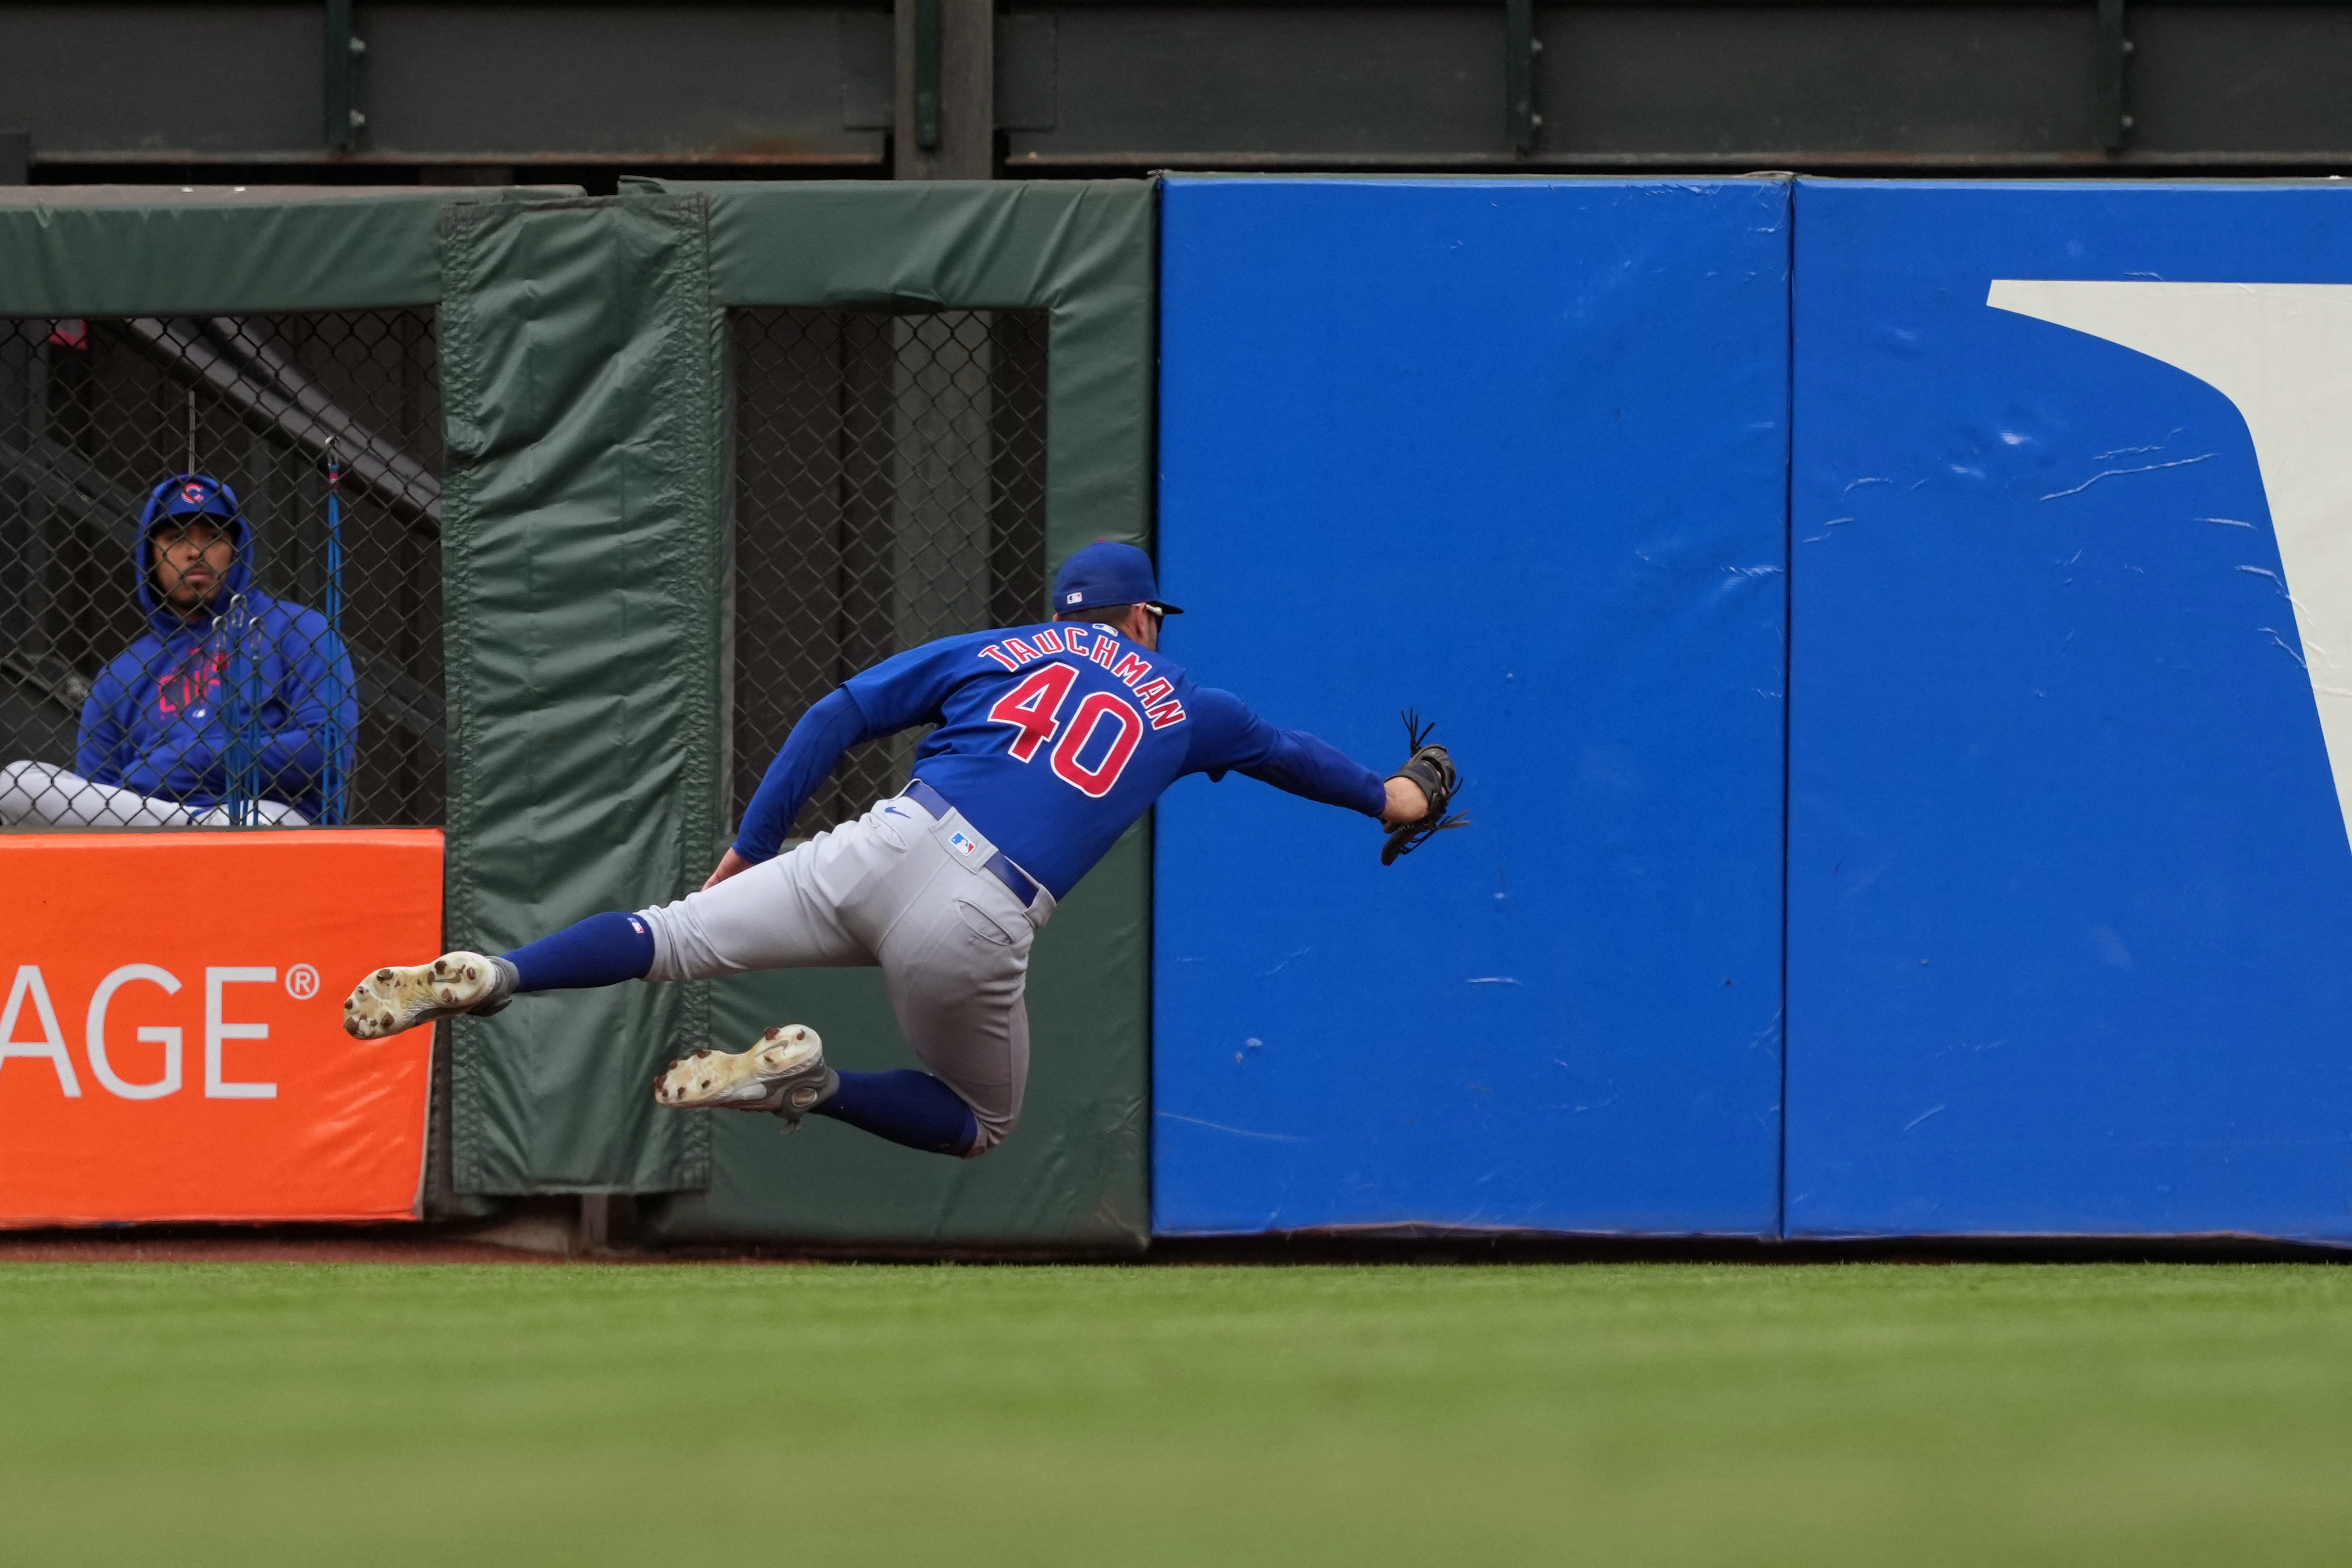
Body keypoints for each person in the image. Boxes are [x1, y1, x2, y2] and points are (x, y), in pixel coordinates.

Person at [344, 542, 1438, 1160]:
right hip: (979, 912)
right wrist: (1392, 795)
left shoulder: (998, 646)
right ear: (1143, 616)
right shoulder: (1197, 708)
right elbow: (1305, 761)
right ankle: (812, 1085)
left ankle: (500, 972)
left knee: (668, 934)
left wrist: (751, 842)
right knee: (982, 1121)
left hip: (883, 839)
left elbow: (832, 715)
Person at [0, 473, 355, 828]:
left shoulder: (298, 630)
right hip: (147, 825)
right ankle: (186, 826)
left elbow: (326, 748)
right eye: (175, 538)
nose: (195, 551)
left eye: (213, 537)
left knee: (257, 819)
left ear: (237, 549)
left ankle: (198, 826)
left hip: (260, 817)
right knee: (16, 781)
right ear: (151, 555)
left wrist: (189, 760)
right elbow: (99, 794)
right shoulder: (122, 674)